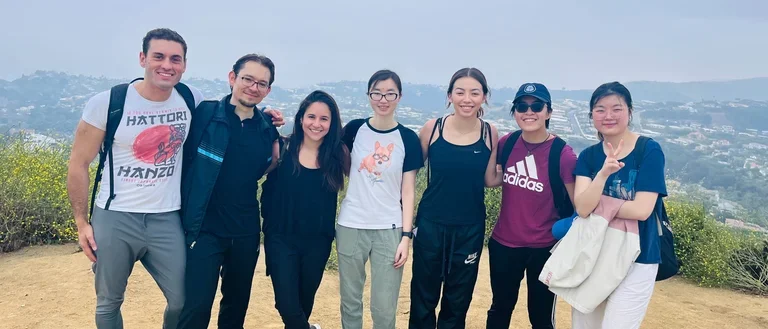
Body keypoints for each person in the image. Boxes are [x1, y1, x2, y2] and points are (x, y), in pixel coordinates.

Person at [67, 28, 205, 329]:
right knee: (109, 302)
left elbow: (227, 117)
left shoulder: (190, 98)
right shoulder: (109, 102)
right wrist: (81, 222)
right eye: (158, 56)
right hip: (115, 216)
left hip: (167, 217)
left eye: (175, 59)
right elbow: (79, 164)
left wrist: (265, 117)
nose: (167, 65)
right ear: (143, 58)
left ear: (184, 64)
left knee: (182, 301)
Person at [177, 53, 282, 329]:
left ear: (268, 90)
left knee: (236, 308)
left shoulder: (267, 129)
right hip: (204, 228)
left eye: (261, 83)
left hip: (245, 229)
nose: (253, 87)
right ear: (232, 78)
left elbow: (272, 164)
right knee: (195, 308)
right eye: (248, 79)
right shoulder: (205, 115)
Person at [408, 67, 499, 329]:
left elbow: (490, 178)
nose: (467, 99)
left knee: (458, 300)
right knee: (423, 296)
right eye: (460, 92)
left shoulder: (489, 133)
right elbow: (410, 173)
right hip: (431, 224)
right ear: (450, 96)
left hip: (470, 227)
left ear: (484, 97)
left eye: (474, 93)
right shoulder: (432, 129)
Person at [571, 81, 667, 329]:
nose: (608, 116)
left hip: (639, 257)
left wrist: (597, 202)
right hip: (593, 254)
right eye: (600, 109)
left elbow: (642, 210)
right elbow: (582, 208)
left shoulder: (648, 150)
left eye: (617, 108)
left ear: (630, 112)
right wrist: (603, 174)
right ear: (591, 114)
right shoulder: (589, 156)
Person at [484, 83, 578, 329]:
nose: (529, 112)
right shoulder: (508, 143)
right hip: (504, 243)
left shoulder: (562, 154)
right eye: (522, 106)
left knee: (541, 316)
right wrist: (492, 143)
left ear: (548, 112)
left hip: (544, 247)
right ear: (514, 112)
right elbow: (492, 180)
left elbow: (579, 205)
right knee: (500, 308)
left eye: (536, 106)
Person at [336, 69, 423, 329]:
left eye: (390, 94)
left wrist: (406, 237)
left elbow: (408, 191)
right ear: (368, 95)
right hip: (351, 224)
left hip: (390, 228)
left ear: (399, 97)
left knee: (384, 307)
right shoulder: (354, 130)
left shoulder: (407, 138)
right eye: (377, 93)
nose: (383, 99)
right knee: (350, 301)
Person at [260, 90, 349, 329]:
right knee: (286, 305)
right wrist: (265, 112)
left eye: (324, 119)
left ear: (332, 123)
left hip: (317, 242)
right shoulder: (282, 148)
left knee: (303, 304)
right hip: (281, 238)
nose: (316, 124)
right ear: (300, 118)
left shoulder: (338, 154)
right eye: (311, 117)